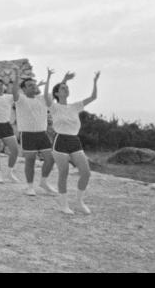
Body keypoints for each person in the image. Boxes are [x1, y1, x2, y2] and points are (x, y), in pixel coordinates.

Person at [44, 68, 101, 215]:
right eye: (63, 88)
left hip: (75, 141)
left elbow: (93, 97)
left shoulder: (75, 106)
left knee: (86, 173)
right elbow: (46, 95)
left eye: (67, 87)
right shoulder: (54, 107)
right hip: (60, 141)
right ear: (57, 93)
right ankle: (64, 205)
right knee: (64, 173)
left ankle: (79, 202)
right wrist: (49, 77)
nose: (66, 89)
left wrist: (95, 81)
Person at [11, 68, 57, 197]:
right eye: (30, 85)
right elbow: (14, 90)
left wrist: (49, 76)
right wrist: (17, 76)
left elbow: (53, 91)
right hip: (27, 135)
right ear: (23, 89)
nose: (33, 86)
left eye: (34, 84)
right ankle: (30, 187)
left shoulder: (42, 98)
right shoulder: (20, 99)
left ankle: (43, 182)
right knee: (30, 161)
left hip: (42, 134)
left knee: (51, 158)